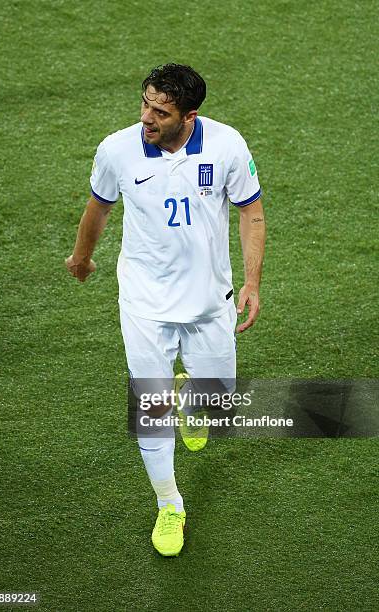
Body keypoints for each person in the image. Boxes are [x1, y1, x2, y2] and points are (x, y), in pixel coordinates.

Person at [65, 63, 266, 557]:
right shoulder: (117, 149)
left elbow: (251, 211)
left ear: (189, 115)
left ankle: (193, 399)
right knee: (150, 411)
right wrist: (83, 255)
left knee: (218, 406)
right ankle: (169, 504)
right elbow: (99, 206)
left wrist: (252, 281)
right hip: (144, 304)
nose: (147, 118)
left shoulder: (226, 147)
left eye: (161, 111)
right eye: (145, 104)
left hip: (208, 303)